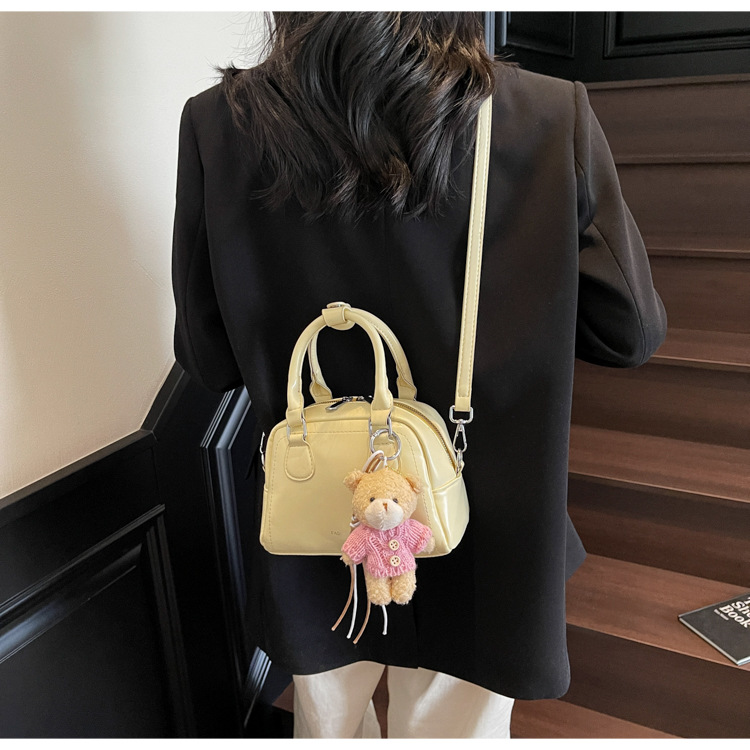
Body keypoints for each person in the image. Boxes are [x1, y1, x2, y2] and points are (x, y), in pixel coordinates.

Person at [171, 11, 667, 739]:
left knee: (328, 728)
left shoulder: (218, 124)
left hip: (316, 516)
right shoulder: (543, 113)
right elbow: (629, 332)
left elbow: (207, 358)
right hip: (485, 526)